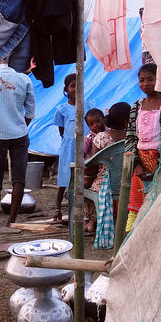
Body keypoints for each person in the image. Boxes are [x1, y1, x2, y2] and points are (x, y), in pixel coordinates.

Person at [0, 58, 35, 226]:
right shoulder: (24, 79)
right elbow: (30, 112)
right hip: (20, 134)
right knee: (19, 178)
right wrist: (20, 126)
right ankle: (12, 220)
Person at [124, 63, 161, 231]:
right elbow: (130, 137)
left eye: (151, 79)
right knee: (136, 202)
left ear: (160, 80)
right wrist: (136, 164)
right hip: (140, 163)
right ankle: (131, 236)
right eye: (142, 80)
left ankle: (156, 235)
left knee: (159, 202)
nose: (145, 84)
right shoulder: (137, 106)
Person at [51, 73, 94, 222]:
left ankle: (86, 209)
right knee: (64, 177)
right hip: (68, 147)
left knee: (85, 175)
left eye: (79, 85)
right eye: (72, 86)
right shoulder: (62, 109)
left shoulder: (89, 105)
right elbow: (62, 131)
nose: (76, 89)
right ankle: (57, 208)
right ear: (66, 89)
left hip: (87, 146)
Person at [84, 102, 131, 233]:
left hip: (103, 184)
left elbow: (92, 167)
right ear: (127, 122)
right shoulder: (131, 138)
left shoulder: (101, 137)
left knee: (81, 186)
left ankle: (92, 220)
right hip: (127, 183)